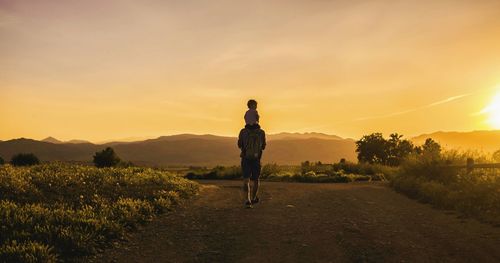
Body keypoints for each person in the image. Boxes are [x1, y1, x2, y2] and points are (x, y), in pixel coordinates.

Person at [238, 100, 266, 208]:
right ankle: (254, 198)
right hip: (256, 158)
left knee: (246, 180)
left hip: (245, 157)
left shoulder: (243, 132)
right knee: (256, 179)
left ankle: (247, 200)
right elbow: (263, 146)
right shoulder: (261, 132)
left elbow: (239, 145)